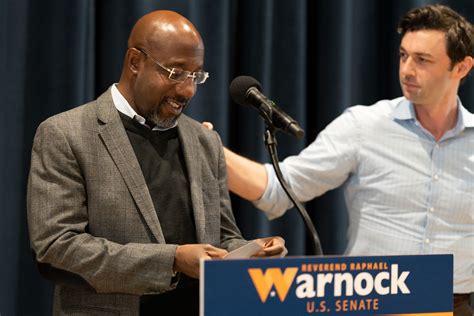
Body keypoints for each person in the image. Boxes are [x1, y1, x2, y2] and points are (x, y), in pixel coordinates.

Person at [26, 10, 285, 315]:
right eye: (176, 73)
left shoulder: (204, 141)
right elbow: (56, 248)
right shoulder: (66, 134)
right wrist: (171, 260)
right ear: (135, 61)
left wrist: (248, 254)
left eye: (195, 76)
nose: (187, 90)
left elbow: (223, 237)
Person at [221, 4, 473, 315]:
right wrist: (210, 149)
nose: (407, 70)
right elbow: (279, 189)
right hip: (373, 301)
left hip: (455, 304)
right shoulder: (363, 126)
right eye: (403, 55)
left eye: (422, 60)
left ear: (461, 67)